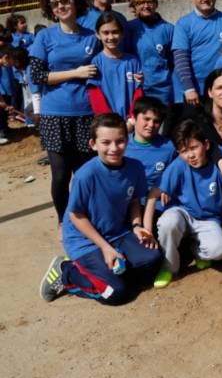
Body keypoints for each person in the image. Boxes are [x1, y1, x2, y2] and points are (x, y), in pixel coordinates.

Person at [39, 113, 161, 305]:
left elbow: (134, 201)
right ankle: (67, 272)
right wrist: (105, 248)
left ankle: (108, 272)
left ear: (127, 141)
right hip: (86, 241)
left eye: (119, 141)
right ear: (93, 144)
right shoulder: (85, 175)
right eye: (106, 142)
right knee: (117, 293)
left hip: (118, 233)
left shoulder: (135, 167)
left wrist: (137, 226)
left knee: (152, 258)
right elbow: (76, 215)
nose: (114, 148)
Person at [29, 0, 101, 227]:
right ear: (50, 9)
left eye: (64, 0)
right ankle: (65, 222)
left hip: (86, 114)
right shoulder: (45, 37)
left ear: (75, 1)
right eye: (54, 3)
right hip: (54, 115)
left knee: (84, 175)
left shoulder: (92, 37)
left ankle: (85, 222)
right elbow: (37, 75)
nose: (60, 6)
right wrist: (75, 73)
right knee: (60, 176)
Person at [144, 120, 222, 288]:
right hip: (183, 213)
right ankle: (169, 266)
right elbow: (153, 194)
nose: (190, 155)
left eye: (194, 148)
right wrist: (147, 230)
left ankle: (196, 250)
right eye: (184, 151)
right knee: (168, 222)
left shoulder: (219, 162)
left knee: (219, 250)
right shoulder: (179, 165)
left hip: (209, 219)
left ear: (206, 145)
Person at [172, 0, 222, 109]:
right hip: (193, 92)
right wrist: (189, 88)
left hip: (219, 90)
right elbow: (181, 58)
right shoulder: (184, 24)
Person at [124, 96, 178, 233]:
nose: (151, 125)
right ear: (134, 118)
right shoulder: (122, 145)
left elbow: (177, 173)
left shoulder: (169, 147)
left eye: (156, 121)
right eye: (146, 119)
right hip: (127, 204)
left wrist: (168, 187)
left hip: (158, 206)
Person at [87, 12, 144, 125]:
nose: (111, 37)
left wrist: (131, 121)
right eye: (106, 33)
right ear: (98, 34)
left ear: (122, 33)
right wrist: (110, 122)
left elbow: (138, 94)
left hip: (130, 124)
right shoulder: (96, 62)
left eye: (115, 32)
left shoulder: (133, 62)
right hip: (107, 124)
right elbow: (95, 95)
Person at [126, 0, 177, 106]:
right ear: (135, 6)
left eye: (149, 2)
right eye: (141, 3)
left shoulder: (169, 29)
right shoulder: (129, 28)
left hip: (162, 90)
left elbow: (173, 62)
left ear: (156, 4)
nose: (146, 6)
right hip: (137, 88)